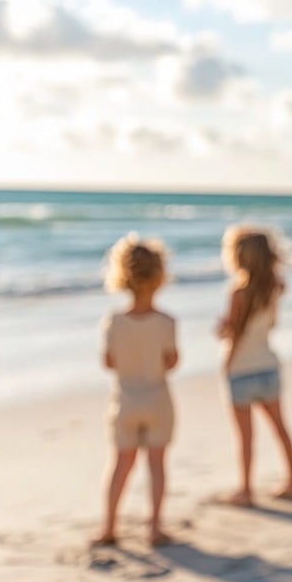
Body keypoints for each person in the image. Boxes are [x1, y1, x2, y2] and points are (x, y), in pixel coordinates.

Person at [93, 233, 179, 548]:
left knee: (120, 464)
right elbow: (171, 361)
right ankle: (155, 527)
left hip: (125, 400)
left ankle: (109, 526)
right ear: (160, 276)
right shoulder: (167, 321)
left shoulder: (114, 321)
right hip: (158, 399)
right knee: (156, 464)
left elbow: (108, 362)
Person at [215, 225, 292, 507]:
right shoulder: (275, 287)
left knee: (246, 437)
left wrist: (223, 338)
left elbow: (234, 333)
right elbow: (271, 324)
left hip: (241, 370)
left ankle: (246, 489)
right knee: (280, 428)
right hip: (268, 365)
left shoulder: (238, 293)